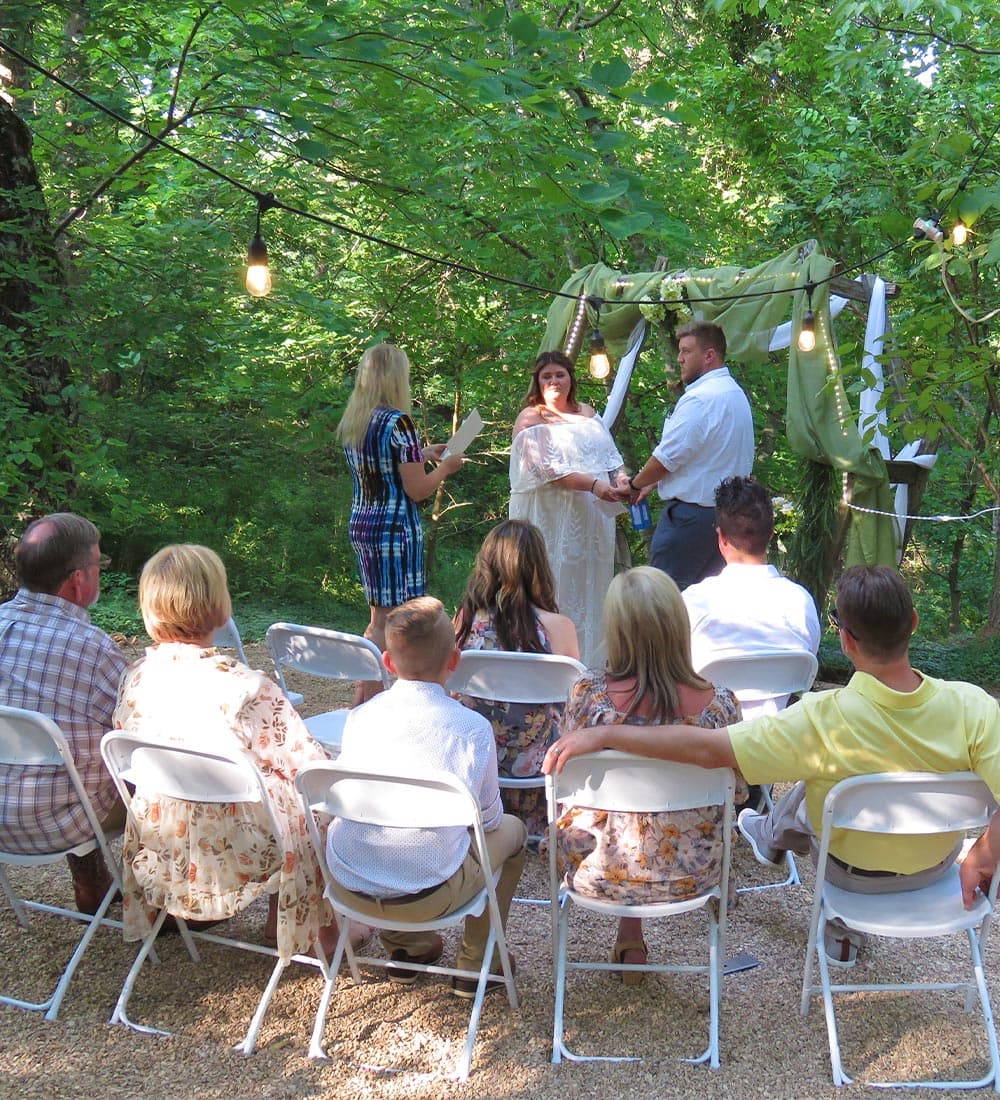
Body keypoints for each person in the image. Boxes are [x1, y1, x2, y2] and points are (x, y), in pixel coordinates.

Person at [544, 564, 1000, 967]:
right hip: (935, 868)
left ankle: (775, 842)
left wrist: (604, 734)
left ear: (844, 638)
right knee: (826, 788)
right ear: (915, 622)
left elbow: (708, 749)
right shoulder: (975, 707)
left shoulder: (821, 719)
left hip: (848, 875)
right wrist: (983, 852)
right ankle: (779, 845)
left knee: (819, 787)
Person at [113, 544, 365, 959]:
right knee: (311, 799)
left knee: (264, 784)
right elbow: (309, 768)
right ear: (218, 604)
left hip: (166, 838)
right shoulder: (246, 687)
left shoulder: (137, 677)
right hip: (244, 846)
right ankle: (322, 930)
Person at [550, 566, 745, 986]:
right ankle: (631, 936)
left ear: (617, 630)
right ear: (678, 625)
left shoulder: (588, 700)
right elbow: (738, 793)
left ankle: (629, 935)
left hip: (597, 872)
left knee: (616, 816)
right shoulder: (722, 707)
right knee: (667, 822)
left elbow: (566, 789)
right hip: (692, 875)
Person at [326, 596, 527, 998]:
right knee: (512, 831)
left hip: (348, 882)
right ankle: (475, 963)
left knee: (385, 836)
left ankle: (408, 948)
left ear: (387, 663)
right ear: (455, 661)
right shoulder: (470, 729)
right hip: (428, 894)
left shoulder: (361, 717)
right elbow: (487, 822)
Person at [0, 512, 127, 914]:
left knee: (69, 748)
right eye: (98, 565)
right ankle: (169, 901)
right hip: (54, 824)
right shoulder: (93, 648)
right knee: (153, 765)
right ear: (78, 579)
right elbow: (138, 730)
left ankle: (92, 880)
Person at [338, 342, 465, 702]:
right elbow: (418, 489)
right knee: (391, 621)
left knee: (378, 617)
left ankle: (363, 701)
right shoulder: (400, 421)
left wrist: (422, 454)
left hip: (364, 523)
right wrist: (444, 467)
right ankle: (369, 705)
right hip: (394, 530)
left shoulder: (356, 419)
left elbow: (381, 466)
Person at [454, 519, 580, 836]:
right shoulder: (559, 627)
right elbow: (574, 700)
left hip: (475, 759)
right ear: (539, 568)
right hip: (538, 765)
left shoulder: (466, 621)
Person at [508, 349, 628, 664]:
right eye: (546, 376)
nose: (554, 381)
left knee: (588, 586)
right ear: (537, 381)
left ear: (570, 378)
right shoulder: (530, 417)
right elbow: (546, 470)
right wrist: (594, 485)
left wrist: (622, 480)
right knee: (549, 579)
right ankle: (544, 662)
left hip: (591, 519)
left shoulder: (588, 412)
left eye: (559, 374)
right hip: (548, 516)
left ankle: (588, 663)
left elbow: (611, 457)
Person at [625, 321, 754, 589]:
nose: (680, 359)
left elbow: (667, 458)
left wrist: (634, 485)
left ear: (709, 355)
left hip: (690, 520)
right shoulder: (734, 393)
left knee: (662, 600)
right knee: (707, 605)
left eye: (686, 351)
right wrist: (651, 482)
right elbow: (702, 457)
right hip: (727, 518)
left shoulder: (701, 398)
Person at [683, 475, 821, 712]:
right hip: (779, 736)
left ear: (721, 537)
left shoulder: (693, 602)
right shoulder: (800, 601)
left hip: (709, 739)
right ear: (770, 535)